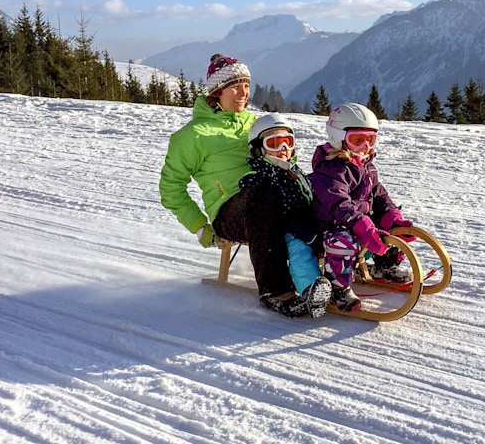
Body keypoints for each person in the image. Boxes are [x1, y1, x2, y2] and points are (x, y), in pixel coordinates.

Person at [159, 54, 329, 318]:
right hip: (231, 212)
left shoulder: (255, 123)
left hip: (273, 195)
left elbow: (285, 155)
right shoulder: (192, 136)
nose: (244, 93)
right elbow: (170, 188)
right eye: (235, 86)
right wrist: (201, 228)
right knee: (264, 196)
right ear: (217, 91)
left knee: (323, 186)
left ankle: (342, 263)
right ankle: (275, 290)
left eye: (246, 85)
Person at [310, 103, 415, 312]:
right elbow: (339, 205)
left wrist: (391, 216)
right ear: (338, 138)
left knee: (387, 227)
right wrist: (362, 224)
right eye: (357, 140)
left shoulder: (366, 167)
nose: (365, 146)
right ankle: (338, 287)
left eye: (370, 139)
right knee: (343, 241)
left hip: (356, 222)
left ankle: (385, 266)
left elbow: (379, 195)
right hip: (328, 227)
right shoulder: (330, 170)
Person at [238, 113, 331, 317]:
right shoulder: (259, 177)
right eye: (274, 143)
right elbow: (273, 211)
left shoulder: (295, 172)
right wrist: (307, 233)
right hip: (286, 231)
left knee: (338, 238)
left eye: (287, 143)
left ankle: (343, 275)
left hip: (307, 225)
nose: (283, 150)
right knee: (300, 252)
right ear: (258, 148)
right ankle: (311, 289)